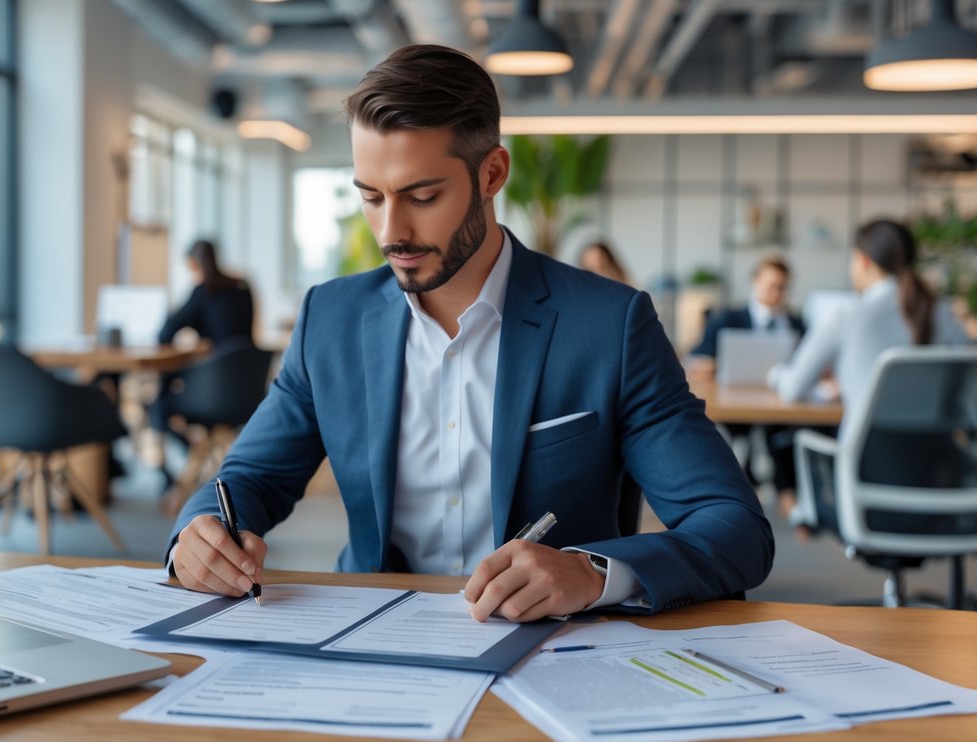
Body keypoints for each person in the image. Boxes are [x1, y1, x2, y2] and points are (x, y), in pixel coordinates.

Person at [167, 44, 772, 623]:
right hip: (375, 637)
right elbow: (247, 479)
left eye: (422, 195)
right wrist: (197, 536)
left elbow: (733, 525)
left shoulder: (609, 325)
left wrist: (590, 571)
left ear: (492, 173)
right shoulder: (333, 319)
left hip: (551, 651)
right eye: (371, 197)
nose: (391, 231)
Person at [769, 219, 968, 431]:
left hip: (864, 460)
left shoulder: (845, 316)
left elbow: (793, 389)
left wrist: (774, 374)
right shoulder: (942, 312)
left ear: (863, 261)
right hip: (939, 458)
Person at [690, 257, 805, 517]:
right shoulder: (727, 318)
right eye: (770, 285)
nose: (776, 293)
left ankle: (786, 494)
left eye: (782, 287)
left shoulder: (796, 322)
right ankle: (743, 492)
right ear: (755, 282)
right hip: (735, 402)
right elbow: (696, 358)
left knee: (783, 430)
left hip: (780, 403)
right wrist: (714, 365)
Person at [150, 240, 256, 469]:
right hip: (247, 391)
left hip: (211, 394)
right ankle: (196, 455)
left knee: (159, 402)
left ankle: (190, 453)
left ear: (192, 264)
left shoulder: (203, 292)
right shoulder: (243, 287)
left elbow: (165, 333)